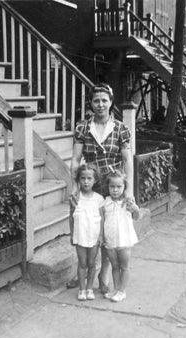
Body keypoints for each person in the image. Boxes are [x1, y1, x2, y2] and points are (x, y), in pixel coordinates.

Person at [68, 83, 134, 294]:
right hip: (90, 185)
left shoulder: (121, 129)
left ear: (111, 102)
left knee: (106, 232)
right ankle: (82, 270)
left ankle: (103, 274)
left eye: (104, 100)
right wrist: (74, 186)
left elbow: (128, 161)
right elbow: (76, 159)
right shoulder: (82, 128)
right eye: (96, 100)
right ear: (91, 103)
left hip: (113, 186)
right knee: (84, 227)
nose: (100, 104)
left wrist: (129, 190)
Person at [101, 170, 140, 302]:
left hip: (124, 239)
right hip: (110, 239)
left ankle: (122, 291)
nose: (115, 190)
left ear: (124, 187)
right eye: (112, 187)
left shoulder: (128, 202)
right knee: (114, 265)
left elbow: (136, 217)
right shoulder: (105, 202)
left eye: (119, 187)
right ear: (108, 187)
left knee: (124, 266)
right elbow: (102, 220)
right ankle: (116, 289)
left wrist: (135, 208)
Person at [69, 164, 105, 301]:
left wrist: (101, 235)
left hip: (94, 236)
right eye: (83, 178)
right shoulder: (75, 198)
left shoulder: (99, 199)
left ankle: (90, 288)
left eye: (89, 178)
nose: (86, 181)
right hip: (80, 235)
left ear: (94, 180)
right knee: (82, 262)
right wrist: (72, 234)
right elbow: (71, 217)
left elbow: (102, 219)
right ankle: (82, 289)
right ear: (78, 180)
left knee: (91, 262)